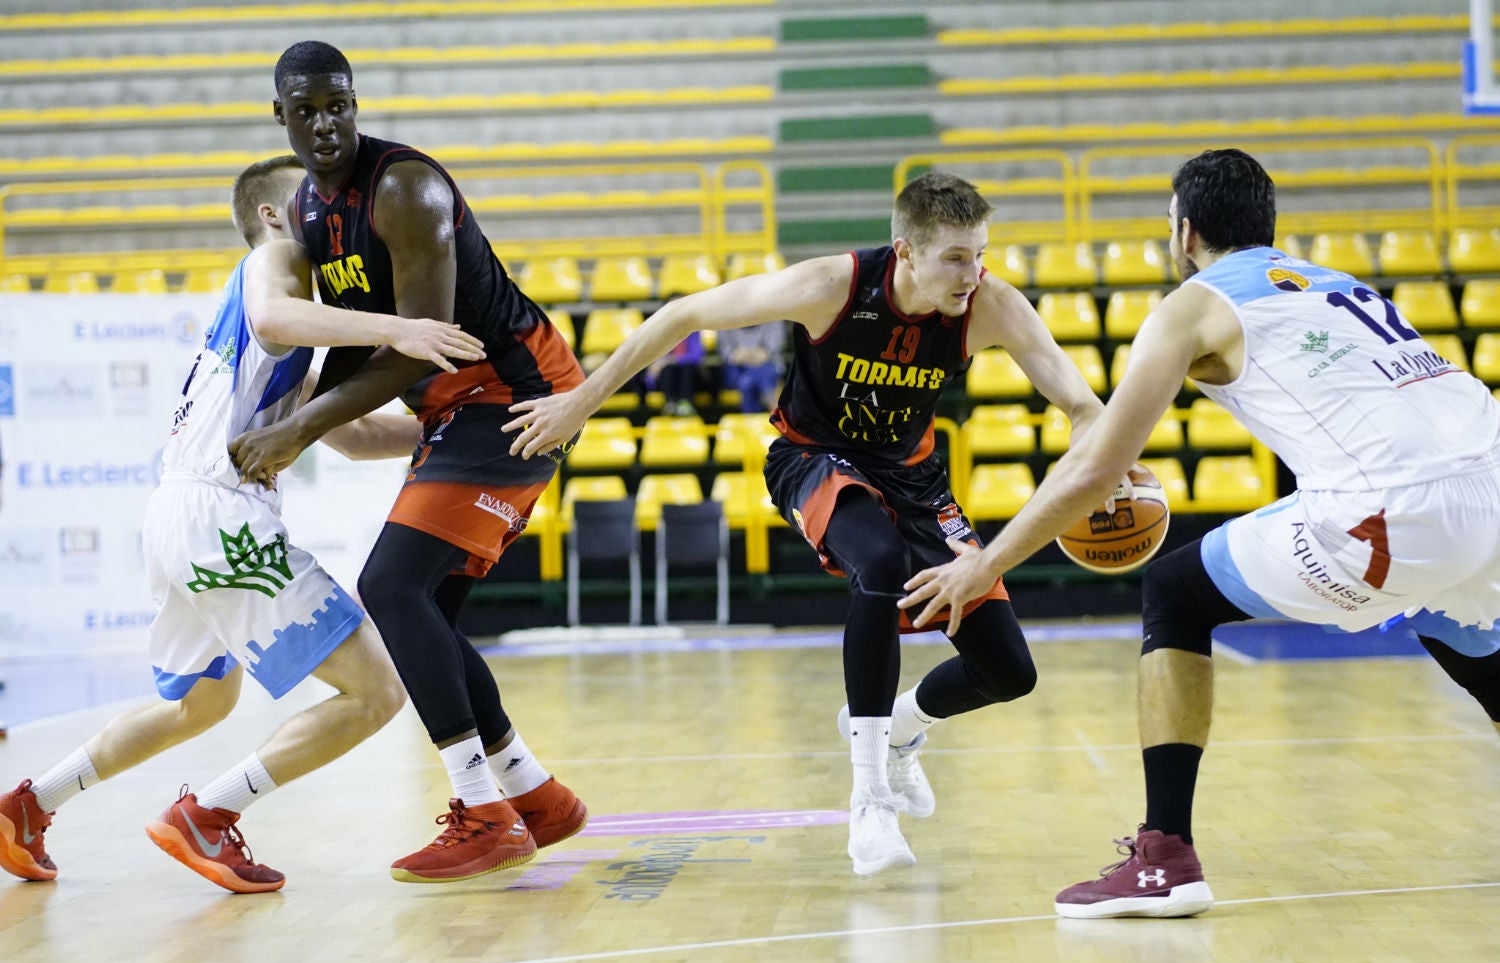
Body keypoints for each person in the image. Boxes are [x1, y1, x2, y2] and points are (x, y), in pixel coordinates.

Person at [901, 148, 1500, 918]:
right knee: (1449, 612)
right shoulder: (1338, 283)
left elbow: (1097, 467)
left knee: (1176, 590)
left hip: (1393, 506)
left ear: (1184, 232)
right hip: (1489, 484)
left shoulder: (1193, 303)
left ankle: (1164, 857)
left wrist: (986, 564)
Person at [505, 171, 1111, 875]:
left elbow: (1083, 403)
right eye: (954, 256)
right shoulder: (833, 286)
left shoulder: (990, 305)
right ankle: (869, 800)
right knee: (878, 563)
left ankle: (904, 730)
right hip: (812, 457)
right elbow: (681, 314)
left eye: (980, 253)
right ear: (905, 250)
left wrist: (1106, 452)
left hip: (914, 480)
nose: (972, 272)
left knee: (1009, 669)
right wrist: (582, 400)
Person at [0, 154, 487, 893]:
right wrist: (404, 327)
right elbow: (271, 312)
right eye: (312, 196)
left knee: (200, 701)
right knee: (379, 691)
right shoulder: (276, 259)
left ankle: (29, 803)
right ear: (269, 213)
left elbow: (351, 434)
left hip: (177, 515)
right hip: (218, 514)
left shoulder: (287, 325)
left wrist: (459, 433)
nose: (329, 208)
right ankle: (209, 814)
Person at [228, 41, 590, 884]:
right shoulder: (314, 216)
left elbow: (421, 347)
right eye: (306, 109)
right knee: (421, 605)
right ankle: (534, 796)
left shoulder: (406, 188)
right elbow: (366, 349)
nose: (325, 122)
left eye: (338, 104)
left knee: (392, 588)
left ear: (356, 104)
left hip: (517, 394)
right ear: (279, 117)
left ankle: (485, 811)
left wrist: (298, 428)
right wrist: (298, 416)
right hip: (457, 408)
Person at [717, 319, 788, 413]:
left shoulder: (774, 318)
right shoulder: (724, 319)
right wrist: (751, 355)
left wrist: (746, 354)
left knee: (747, 382)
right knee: (748, 381)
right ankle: (770, 400)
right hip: (737, 369)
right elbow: (730, 354)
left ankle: (754, 417)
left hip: (767, 367)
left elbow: (769, 352)